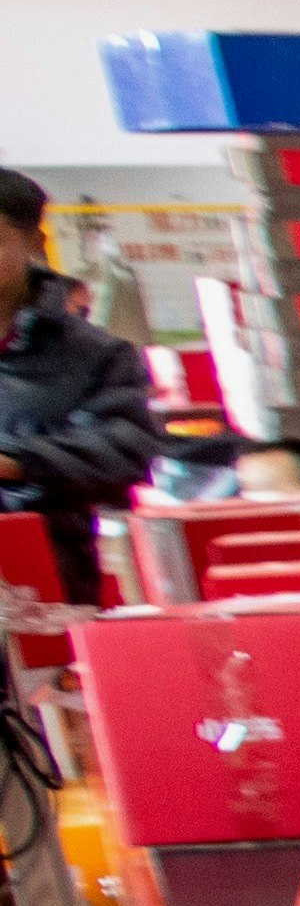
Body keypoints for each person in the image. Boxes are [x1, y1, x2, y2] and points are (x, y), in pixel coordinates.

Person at [0, 174, 163, 605]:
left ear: (33, 242)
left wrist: (16, 463)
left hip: (39, 589)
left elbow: (126, 450)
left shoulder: (94, 355)